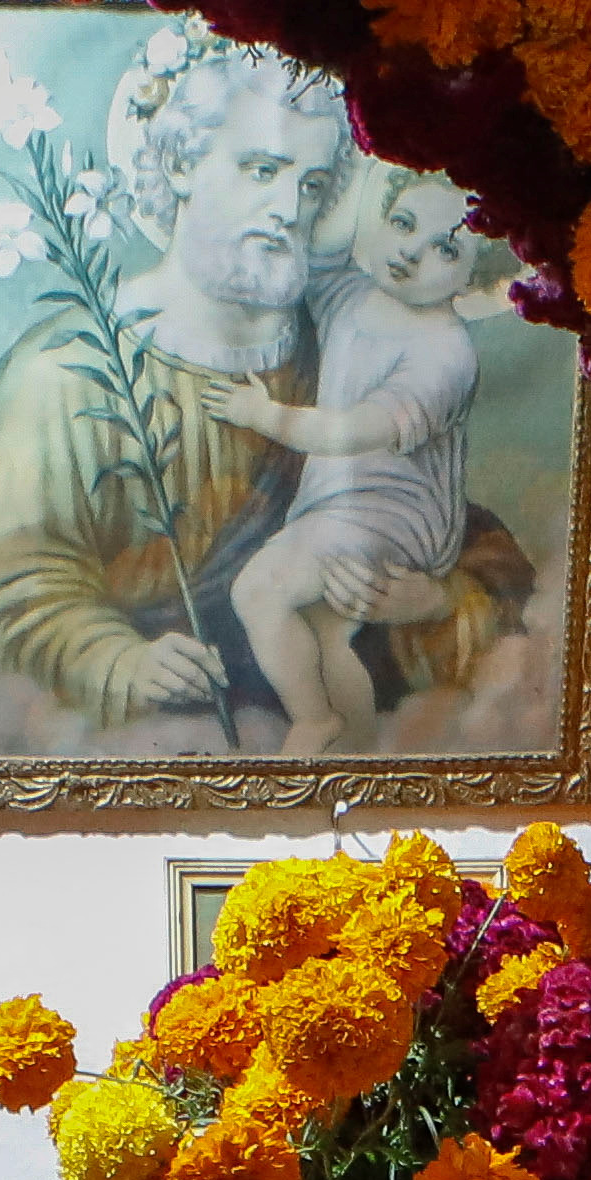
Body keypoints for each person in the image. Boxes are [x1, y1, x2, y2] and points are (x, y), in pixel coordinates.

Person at [0, 31, 347, 750]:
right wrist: (121, 661)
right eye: (262, 168)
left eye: (312, 184)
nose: (290, 207)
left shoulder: (340, 352)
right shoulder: (57, 371)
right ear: (179, 164)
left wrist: (425, 596)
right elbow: (16, 590)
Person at [200, 164, 494, 755]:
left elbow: (353, 432)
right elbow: (318, 250)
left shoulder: (445, 352)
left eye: (446, 249)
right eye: (402, 223)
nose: (411, 252)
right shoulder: (354, 295)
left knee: (257, 592)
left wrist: (265, 416)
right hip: (339, 504)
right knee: (325, 638)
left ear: (474, 276)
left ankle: (312, 722)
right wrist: (364, 177)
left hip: (393, 516)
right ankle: (356, 759)